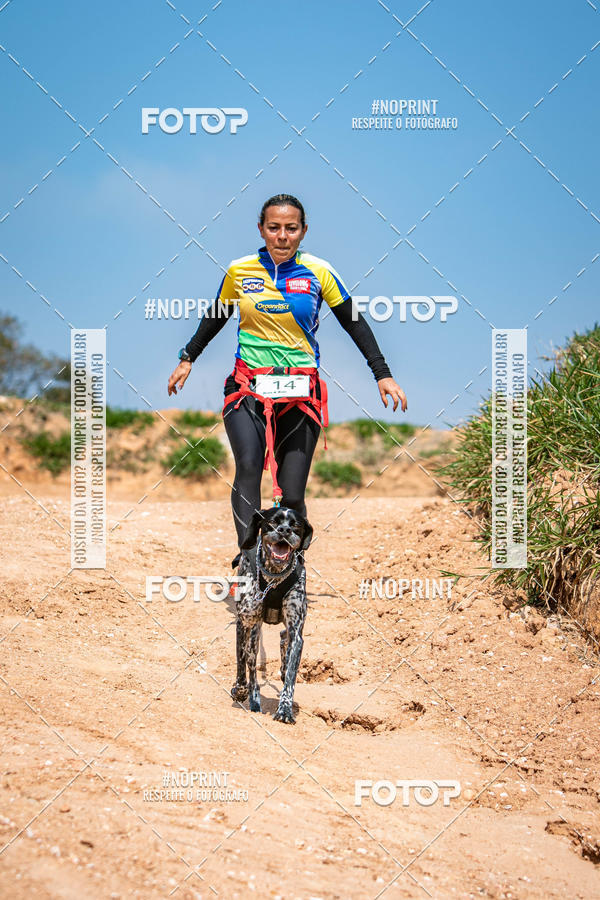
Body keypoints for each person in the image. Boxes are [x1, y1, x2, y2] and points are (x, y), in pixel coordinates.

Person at [167, 193, 407, 561]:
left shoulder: (318, 271)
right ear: (261, 230)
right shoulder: (240, 270)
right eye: (274, 228)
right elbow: (216, 314)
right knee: (248, 465)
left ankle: (288, 565)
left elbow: (354, 322)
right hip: (247, 387)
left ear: (303, 231)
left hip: (300, 392)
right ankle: (248, 563)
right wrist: (188, 358)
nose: (282, 236)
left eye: (291, 228)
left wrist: (383, 374)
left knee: (292, 494)